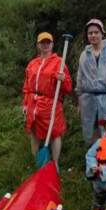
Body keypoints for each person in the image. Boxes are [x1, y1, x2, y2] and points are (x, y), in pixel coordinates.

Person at [23, 32, 73, 168]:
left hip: (51, 102)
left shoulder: (59, 63)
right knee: (33, 131)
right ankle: (35, 160)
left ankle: (55, 163)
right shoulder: (32, 64)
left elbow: (68, 88)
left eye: (48, 42)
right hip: (33, 102)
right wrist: (25, 103)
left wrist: (63, 80)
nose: (45, 45)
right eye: (42, 42)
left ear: (52, 44)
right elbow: (27, 86)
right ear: (38, 45)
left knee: (55, 133)